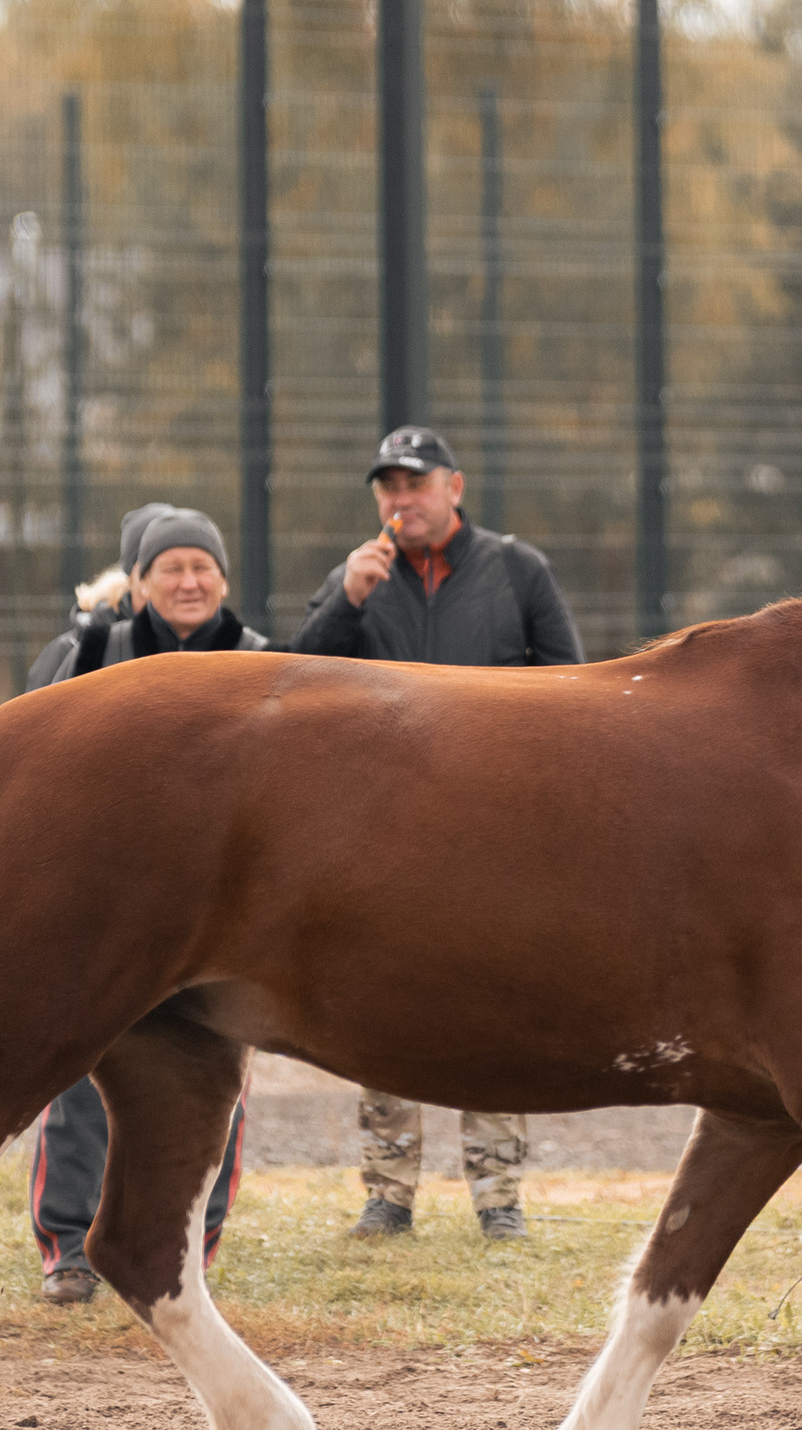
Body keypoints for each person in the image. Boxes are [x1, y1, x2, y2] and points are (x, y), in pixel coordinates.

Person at [292, 425, 584, 1240]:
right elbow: (298, 682)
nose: (400, 500)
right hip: (384, 831)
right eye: (387, 487)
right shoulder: (358, 578)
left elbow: (569, 683)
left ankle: (499, 1197)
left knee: (496, 999)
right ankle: (389, 1192)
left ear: (455, 487)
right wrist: (344, 600)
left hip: (496, 827)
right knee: (383, 1004)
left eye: (415, 483)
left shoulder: (517, 569)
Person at [24, 508, 268, 1304]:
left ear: (224, 579)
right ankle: (69, 1245)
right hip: (107, 912)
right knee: (82, 1076)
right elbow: (33, 762)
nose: (190, 581)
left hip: (223, 923)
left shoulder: (262, 662)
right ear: (137, 583)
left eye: (203, 566)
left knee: (214, 1081)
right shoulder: (91, 651)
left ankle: (190, 1247)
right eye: (172, 568)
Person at [27, 502, 174, 691]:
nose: (181, 582)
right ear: (131, 574)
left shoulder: (204, 644)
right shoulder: (68, 650)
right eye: (162, 566)